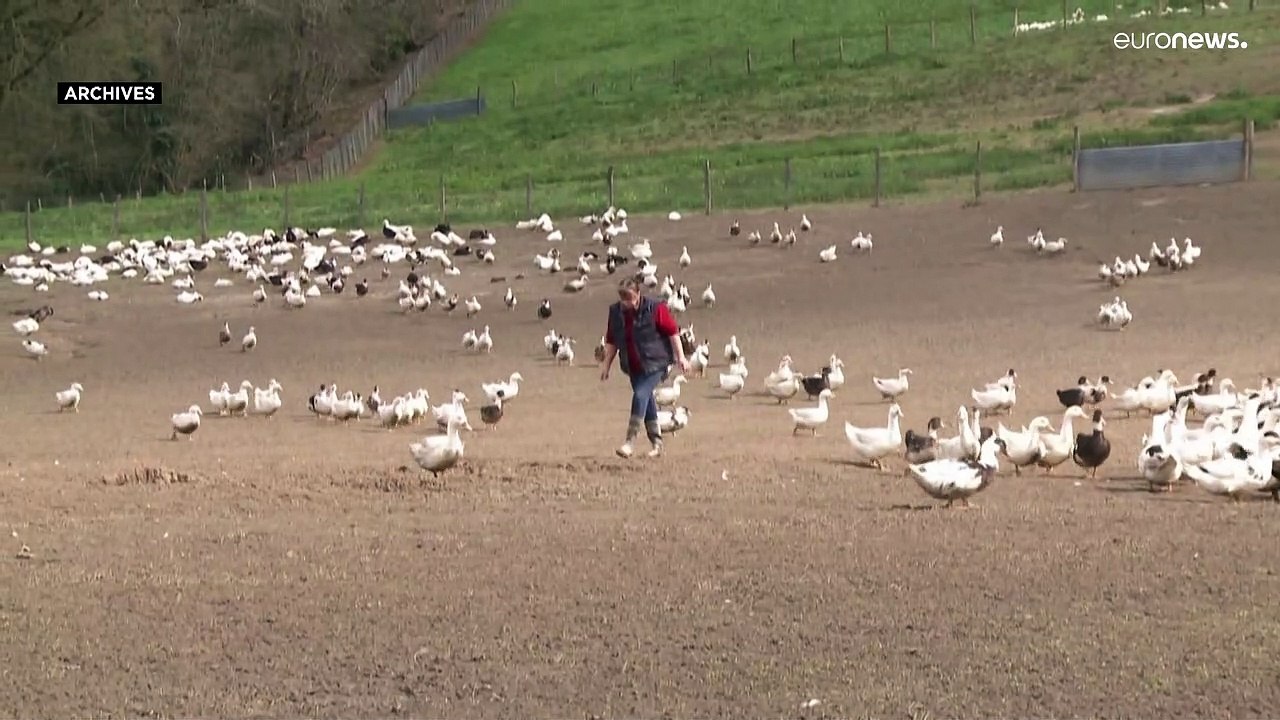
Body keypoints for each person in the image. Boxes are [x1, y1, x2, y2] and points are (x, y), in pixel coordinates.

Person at [599, 277, 690, 458]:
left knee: (640, 394)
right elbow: (611, 341)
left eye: (630, 298)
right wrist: (606, 366)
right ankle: (657, 443)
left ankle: (630, 442)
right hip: (633, 366)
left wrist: (681, 357)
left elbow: (673, 332)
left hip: (657, 363)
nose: (626, 303)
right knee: (646, 399)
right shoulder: (616, 312)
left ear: (638, 294)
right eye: (623, 299)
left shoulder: (655, 308)